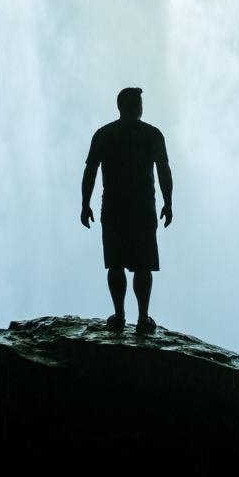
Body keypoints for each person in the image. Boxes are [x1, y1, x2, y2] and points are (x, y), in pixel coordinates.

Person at [81, 87, 173, 334]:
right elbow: (164, 171)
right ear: (137, 107)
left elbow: (90, 171)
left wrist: (85, 204)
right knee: (142, 265)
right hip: (142, 209)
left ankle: (120, 316)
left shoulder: (104, 134)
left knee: (116, 263)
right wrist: (168, 203)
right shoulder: (152, 135)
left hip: (113, 209)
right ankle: (143, 318)